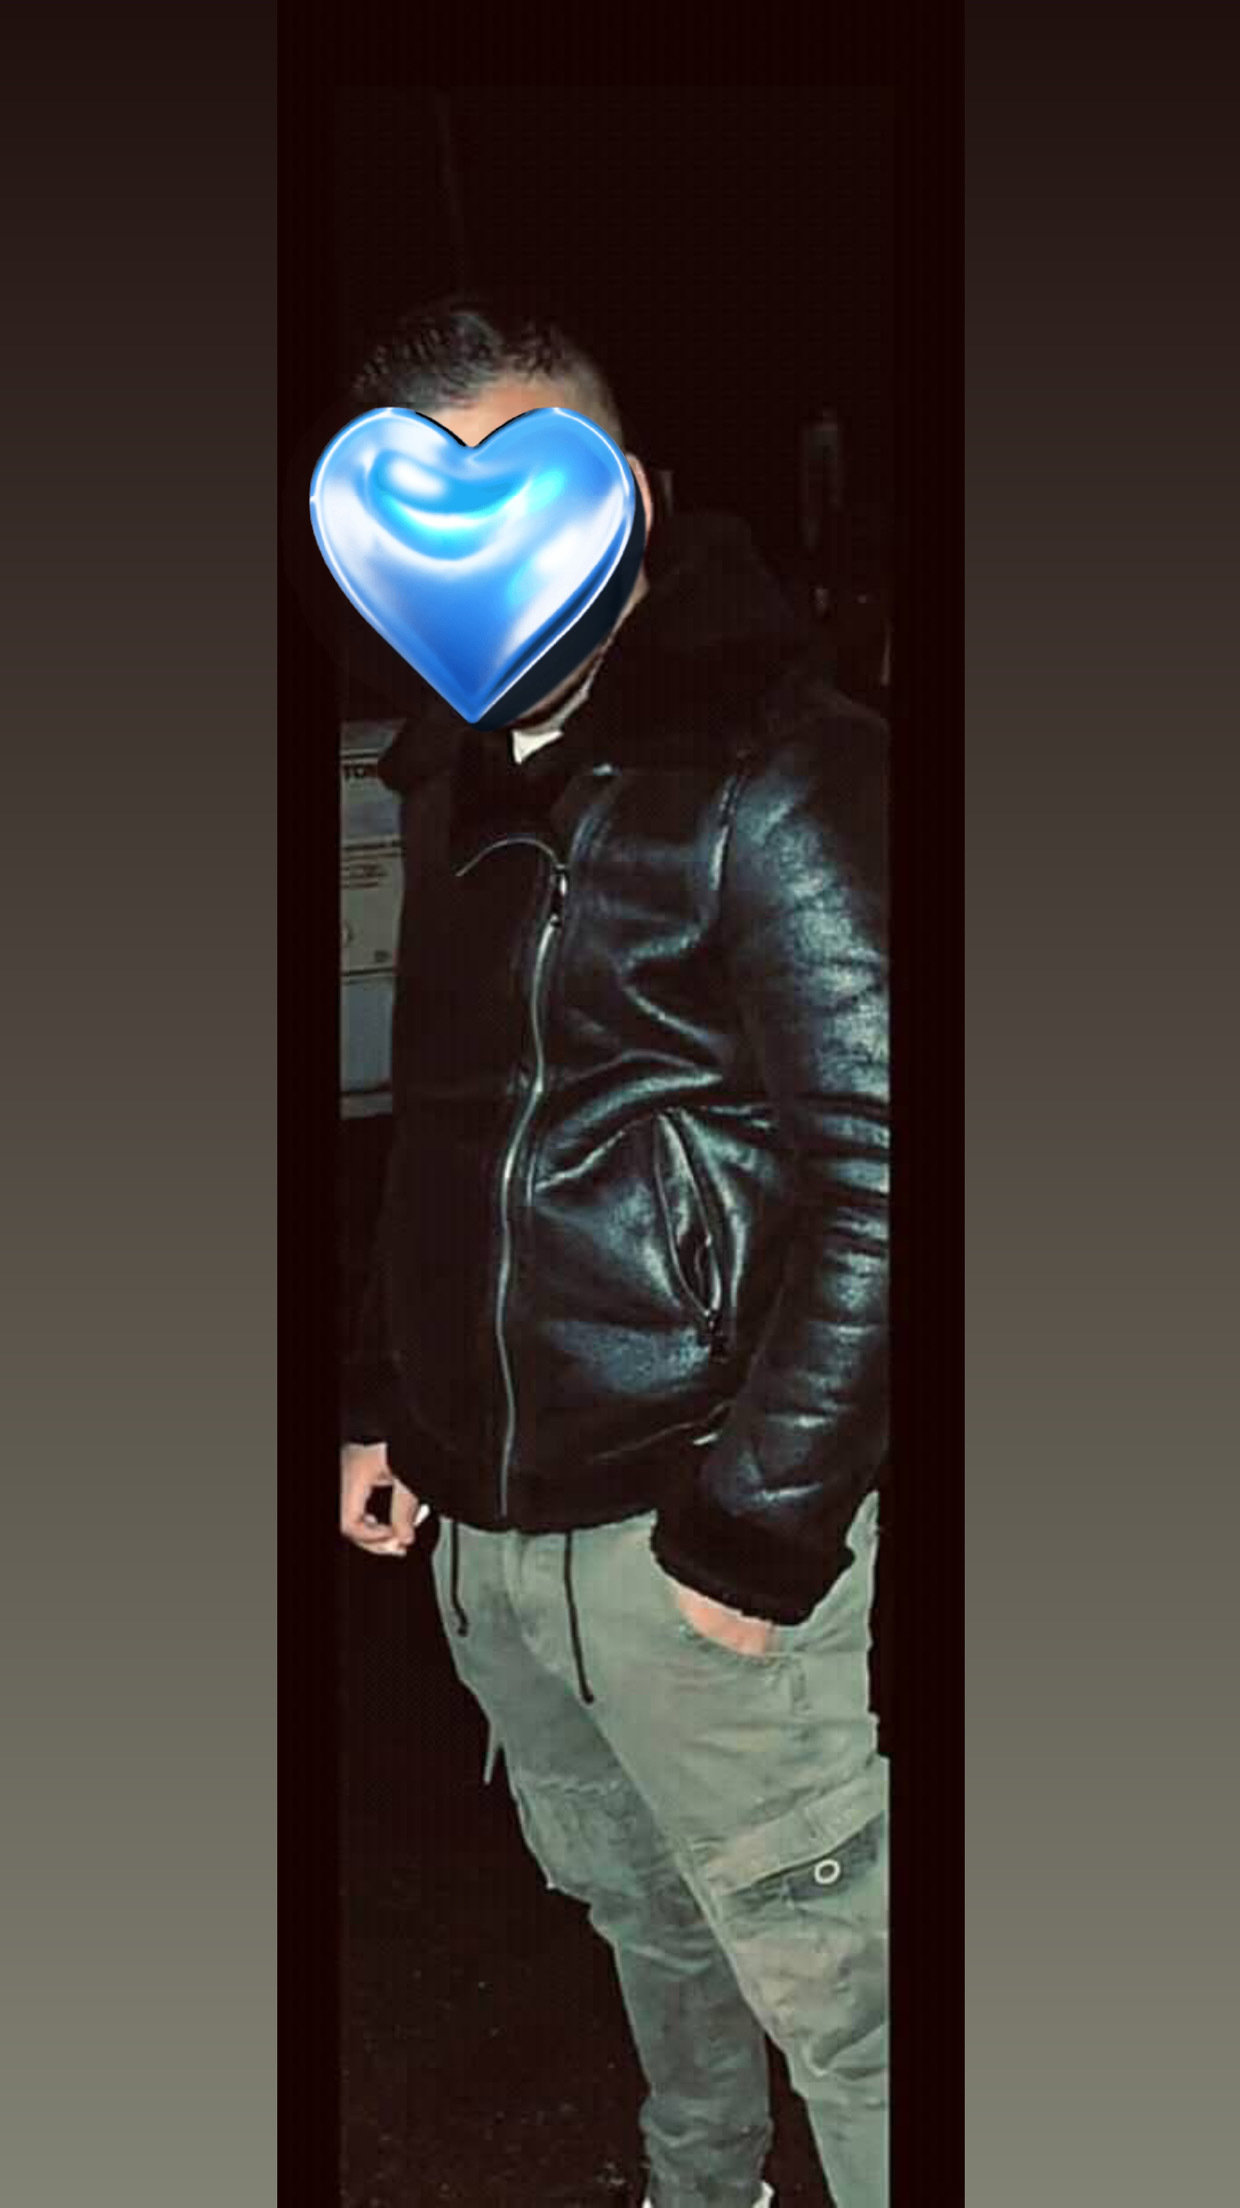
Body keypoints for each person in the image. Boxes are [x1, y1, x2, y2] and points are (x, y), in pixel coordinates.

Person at [338, 294, 890, 2208]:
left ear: (634, 497)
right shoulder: (453, 771)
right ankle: (697, 2183)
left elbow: (886, 1173)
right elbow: (449, 1127)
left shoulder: (778, 765)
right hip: (496, 1534)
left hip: (696, 1526)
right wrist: (386, 1403)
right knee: (640, 1919)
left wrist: (758, 1532)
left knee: (843, 1992)